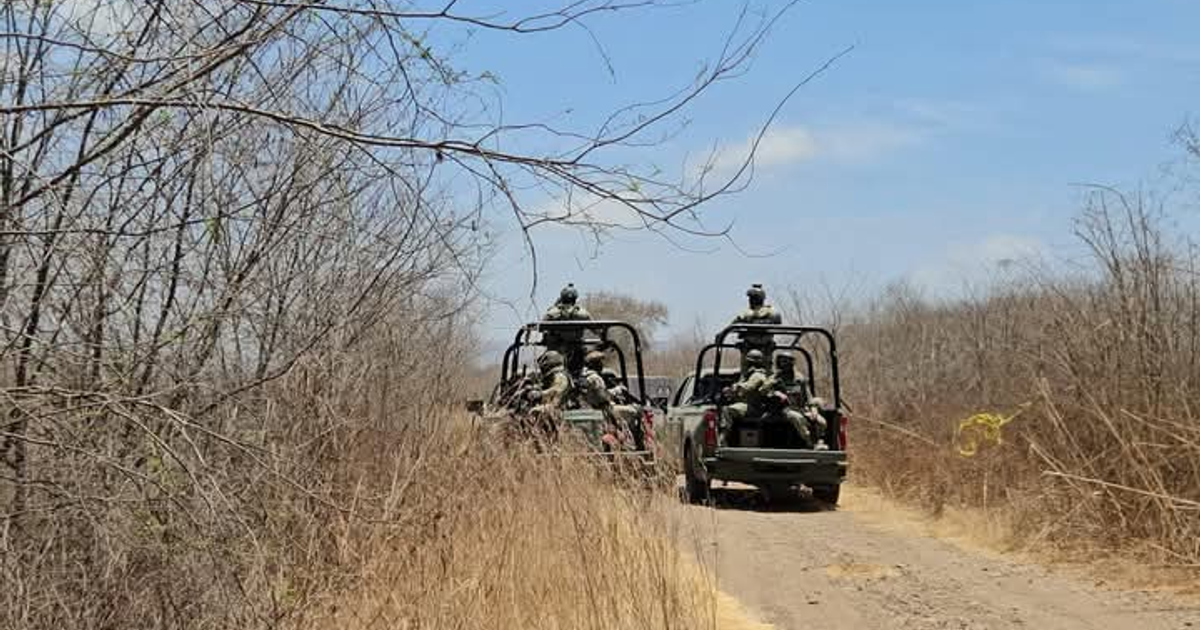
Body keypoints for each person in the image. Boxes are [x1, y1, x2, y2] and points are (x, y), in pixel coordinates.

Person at [582, 351, 642, 450]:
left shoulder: (586, 376)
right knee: (636, 411)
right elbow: (603, 396)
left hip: (597, 409)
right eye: (599, 362)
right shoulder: (595, 378)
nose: (602, 365)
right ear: (594, 364)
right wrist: (617, 390)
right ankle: (635, 444)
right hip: (604, 410)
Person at [766, 353, 818, 448]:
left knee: (821, 421)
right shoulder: (775, 378)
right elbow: (765, 391)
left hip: (801, 408)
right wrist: (776, 393)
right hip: (784, 410)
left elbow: (808, 396)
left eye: (786, 361)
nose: (784, 364)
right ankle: (810, 441)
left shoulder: (799, 379)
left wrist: (813, 409)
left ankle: (820, 441)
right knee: (796, 417)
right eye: (782, 361)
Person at [721, 349, 773, 439]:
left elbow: (748, 387)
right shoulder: (750, 374)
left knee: (727, 410)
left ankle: (724, 437)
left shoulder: (757, 375)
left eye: (748, 362)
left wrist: (735, 387)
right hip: (751, 405)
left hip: (754, 407)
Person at [732, 283, 781, 375]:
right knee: (767, 374)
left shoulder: (746, 314)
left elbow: (733, 327)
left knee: (746, 376)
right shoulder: (774, 313)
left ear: (753, 299)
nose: (749, 300)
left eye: (751, 298)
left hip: (749, 350)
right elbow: (778, 326)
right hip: (767, 349)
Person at [543, 283, 592, 374]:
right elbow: (597, 329)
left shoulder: (552, 313)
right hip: (577, 356)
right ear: (575, 299)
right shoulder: (583, 314)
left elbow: (541, 328)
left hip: (555, 357)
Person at [523, 350, 572, 440]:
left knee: (534, 412)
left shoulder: (560, 376)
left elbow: (556, 390)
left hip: (560, 408)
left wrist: (540, 394)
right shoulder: (553, 376)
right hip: (556, 407)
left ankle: (539, 442)